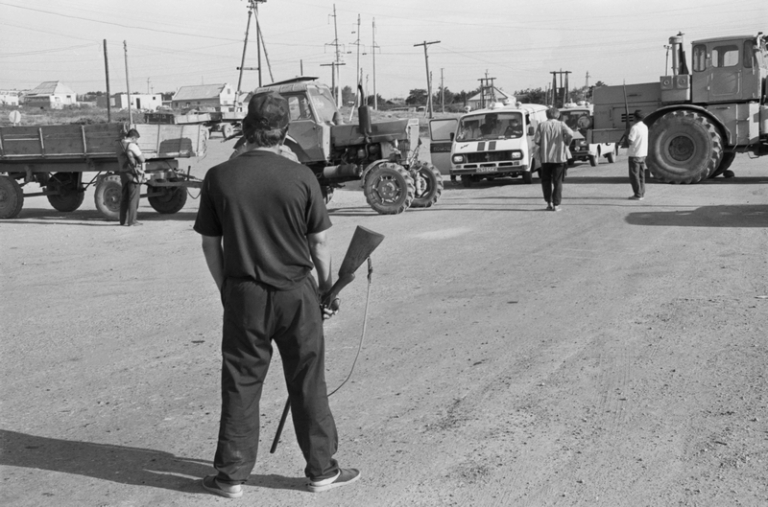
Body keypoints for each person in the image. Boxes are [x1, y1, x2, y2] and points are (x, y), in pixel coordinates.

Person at [194, 90, 360, 499]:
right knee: (307, 380)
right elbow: (319, 245)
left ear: (246, 129)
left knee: (240, 382)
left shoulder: (219, 176)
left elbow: (209, 245)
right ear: (285, 132)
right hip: (296, 294)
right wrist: (325, 290)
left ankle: (231, 476)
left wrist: (227, 290)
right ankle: (321, 470)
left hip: (243, 292)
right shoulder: (302, 176)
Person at [534, 107, 573, 211]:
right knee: (557, 181)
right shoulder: (561, 124)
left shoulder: (541, 125)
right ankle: (556, 204)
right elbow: (570, 133)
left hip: (545, 158)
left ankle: (548, 203)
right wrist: (566, 142)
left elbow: (537, 140)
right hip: (559, 157)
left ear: (547, 115)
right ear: (558, 115)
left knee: (546, 181)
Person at [116, 128, 145, 226]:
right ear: (133, 138)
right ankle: (132, 221)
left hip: (123, 173)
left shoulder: (119, 145)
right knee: (133, 198)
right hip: (132, 174)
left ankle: (122, 221)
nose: (136, 141)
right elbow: (142, 159)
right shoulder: (132, 145)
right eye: (136, 139)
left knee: (124, 197)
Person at [627, 109, 649, 200]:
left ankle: (637, 194)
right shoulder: (645, 127)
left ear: (635, 117)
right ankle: (641, 193)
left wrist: (627, 134)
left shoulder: (634, 128)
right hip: (643, 153)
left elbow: (630, 141)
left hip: (634, 154)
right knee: (641, 175)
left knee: (634, 176)